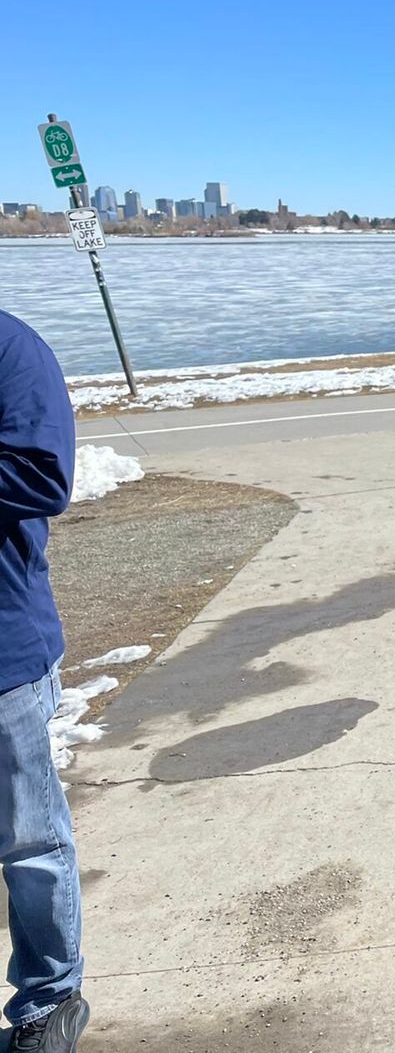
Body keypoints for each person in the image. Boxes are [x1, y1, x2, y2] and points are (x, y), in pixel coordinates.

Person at [0, 309, 90, 1053]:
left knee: (28, 841)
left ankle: (50, 999)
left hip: (2, 653)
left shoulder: (9, 346)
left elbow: (40, 474)